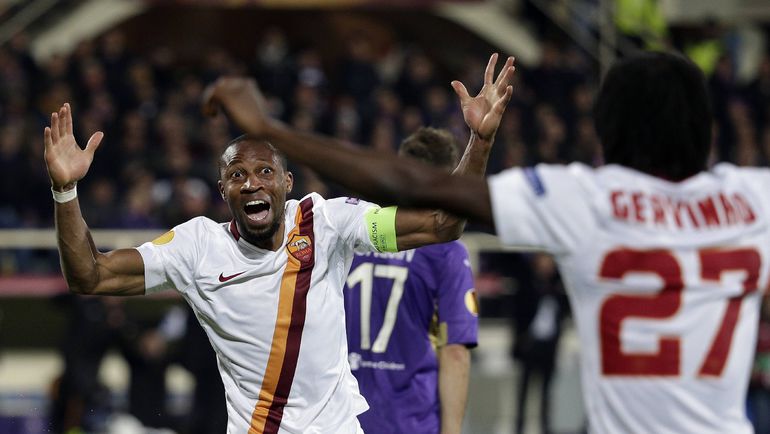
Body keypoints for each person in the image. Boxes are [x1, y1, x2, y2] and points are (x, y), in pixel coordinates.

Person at [205, 50, 765, 433]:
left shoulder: (586, 199)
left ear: (607, 131)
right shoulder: (755, 198)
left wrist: (273, 131)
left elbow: (423, 191)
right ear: (707, 129)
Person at [43, 53, 514, 433]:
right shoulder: (197, 247)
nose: (251, 183)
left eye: (264, 171)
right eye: (237, 175)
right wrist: (65, 191)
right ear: (222, 190)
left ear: (287, 183)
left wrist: (480, 140)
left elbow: (442, 225)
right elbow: (90, 276)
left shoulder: (327, 221)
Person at [344, 127, 478, 434]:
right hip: (411, 421)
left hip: (344, 418)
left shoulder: (355, 232)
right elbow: (455, 351)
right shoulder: (446, 251)